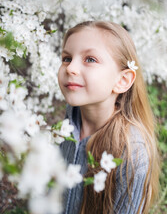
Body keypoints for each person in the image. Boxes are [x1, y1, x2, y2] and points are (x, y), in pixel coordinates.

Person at [58, 21, 160, 214]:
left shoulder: (132, 152)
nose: (71, 68)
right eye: (67, 58)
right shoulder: (71, 119)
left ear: (122, 81)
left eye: (90, 59)